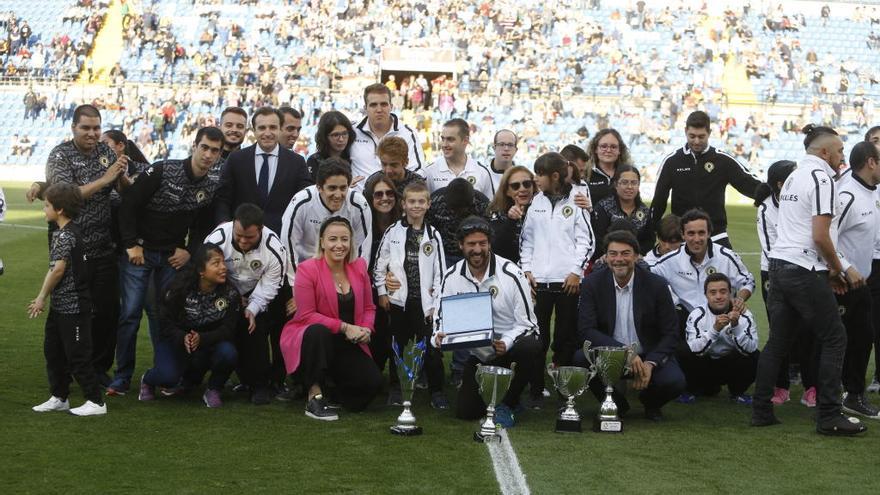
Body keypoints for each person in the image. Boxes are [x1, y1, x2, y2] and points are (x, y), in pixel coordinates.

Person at [752, 124, 867, 436]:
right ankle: (829, 415)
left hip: (779, 267)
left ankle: (760, 409)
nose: (843, 156)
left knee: (778, 340)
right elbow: (819, 236)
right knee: (834, 337)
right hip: (802, 267)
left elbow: (800, 231)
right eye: (840, 151)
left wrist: (827, 272)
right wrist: (841, 267)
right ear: (825, 152)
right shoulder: (821, 178)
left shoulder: (794, 176)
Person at [108, 127, 224, 395]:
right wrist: (131, 244)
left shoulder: (211, 184)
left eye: (214, 151)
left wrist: (189, 251)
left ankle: (162, 374)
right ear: (194, 146)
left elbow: (202, 227)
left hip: (172, 258)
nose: (208, 155)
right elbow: (129, 205)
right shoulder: (162, 170)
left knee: (167, 316)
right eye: (204, 147)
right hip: (140, 254)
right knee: (130, 315)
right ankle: (122, 377)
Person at [45, 104, 129, 387]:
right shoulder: (60, 154)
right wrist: (104, 179)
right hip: (71, 250)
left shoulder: (107, 152)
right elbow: (63, 196)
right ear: (73, 128)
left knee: (106, 312)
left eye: (96, 128)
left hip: (104, 247)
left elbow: (117, 191)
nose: (93, 134)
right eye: (86, 128)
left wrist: (122, 178)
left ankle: (98, 368)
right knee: (69, 313)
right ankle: (65, 370)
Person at [431, 216, 541, 427]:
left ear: (490, 244)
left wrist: (506, 342)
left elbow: (529, 325)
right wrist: (438, 336)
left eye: (483, 243)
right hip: (479, 355)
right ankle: (499, 393)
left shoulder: (511, 273)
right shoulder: (451, 276)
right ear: (461, 245)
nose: (478, 249)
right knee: (466, 412)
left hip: (510, 352)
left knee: (531, 346)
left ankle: (508, 402)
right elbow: (440, 317)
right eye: (471, 244)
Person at [572, 230, 686, 421]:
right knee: (580, 359)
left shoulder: (656, 285)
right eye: (613, 254)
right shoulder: (592, 284)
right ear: (606, 257)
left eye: (625, 253)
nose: (619, 259)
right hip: (611, 353)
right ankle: (617, 405)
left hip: (647, 355)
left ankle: (651, 403)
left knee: (675, 381)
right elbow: (586, 330)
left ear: (636, 256)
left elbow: (671, 332)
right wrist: (624, 353)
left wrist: (651, 363)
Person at [280, 217, 383, 420]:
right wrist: (346, 327)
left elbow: (370, 307)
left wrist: (366, 329)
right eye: (333, 239)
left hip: (347, 342)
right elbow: (307, 315)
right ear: (322, 242)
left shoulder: (359, 266)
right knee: (318, 332)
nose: (339, 245)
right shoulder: (307, 269)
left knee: (372, 385)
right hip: (313, 338)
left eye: (344, 239)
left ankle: (332, 390)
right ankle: (314, 395)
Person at [520, 152, 595, 406]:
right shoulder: (536, 203)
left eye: (539, 174)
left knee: (565, 338)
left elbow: (587, 240)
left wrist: (576, 271)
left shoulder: (578, 200)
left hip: (568, 283)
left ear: (554, 176)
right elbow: (527, 240)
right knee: (538, 340)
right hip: (538, 283)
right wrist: (527, 270)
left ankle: (566, 392)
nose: (535, 179)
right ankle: (536, 390)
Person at [28, 183, 107, 416]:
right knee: (53, 351)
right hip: (61, 306)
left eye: (47, 205)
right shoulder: (70, 230)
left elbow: (57, 270)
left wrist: (41, 297)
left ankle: (96, 401)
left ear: (60, 209)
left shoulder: (64, 235)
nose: (44, 210)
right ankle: (59, 396)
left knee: (77, 354)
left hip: (73, 307)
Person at [139, 243, 241, 408]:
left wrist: (202, 338)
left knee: (228, 353)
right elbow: (165, 322)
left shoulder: (230, 293)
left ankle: (213, 389)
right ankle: (149, 379)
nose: (223, 268)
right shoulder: (178, 289)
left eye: (223, 262)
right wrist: (182, 337)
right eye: (216, 263)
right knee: (167, 377)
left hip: (209, 343)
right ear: (201, 271)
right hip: (177, 342)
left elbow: (228, 330)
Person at [374, 182, 447, 408]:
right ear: (403, 204)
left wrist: (436, 304)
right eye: (412, 201)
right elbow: (379, 265)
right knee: (397, 346)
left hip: (425, 303)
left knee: (432, 348)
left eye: (421, 201)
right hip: (399, 302)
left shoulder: (434, 235)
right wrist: (382, 292)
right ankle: (397, 388)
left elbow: (440, 272)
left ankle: (437, 391)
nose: (416, 206)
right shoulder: (393, 231)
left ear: (428, 204)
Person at [204, 203, 286, 405]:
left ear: (260, 229)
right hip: (222, 289)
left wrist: (252, 308)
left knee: (254, 329)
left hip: (255, 292)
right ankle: (204, 381)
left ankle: (259, 385)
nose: (242, 240)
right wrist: (230, 295)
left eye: (249, 237)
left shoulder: (275, 248)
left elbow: (270, 285)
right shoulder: (216, 240)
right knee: (222, 335)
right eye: (239, 234)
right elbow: (205, 274)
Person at [650, 111, 761, 248]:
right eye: (692, 136)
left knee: (730, 268)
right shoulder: (672, 162)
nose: (696, 141)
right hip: (684, 236)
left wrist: (772, 192)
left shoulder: (722, 160)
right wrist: (651, 229)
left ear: (709, 132)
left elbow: (749, 184)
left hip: (716, 235)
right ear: (685, 132)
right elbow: (659, 200)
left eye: (701, 136)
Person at [754, 160, 813, 406]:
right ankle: (781, 386)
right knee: (780, 330)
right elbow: (770, 249)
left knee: (810, 329)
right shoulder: (766, 210)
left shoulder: (803, 201)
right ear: (780, 183)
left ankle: (813, 386)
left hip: (805, 271)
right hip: (775, 274)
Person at [215, 106, 312, 237]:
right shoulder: (236, 159)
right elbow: (223, 198)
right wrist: (224, 226)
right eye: (261, 128)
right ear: (254, 131)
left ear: (280, 129)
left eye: (272, 127)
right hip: (240, 238)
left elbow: (304, 202)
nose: (267, 133)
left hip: (280, 237)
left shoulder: (297, 162)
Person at [834, 141, 880, 418]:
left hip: (863, 281)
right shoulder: (846, 195)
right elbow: (825, 238)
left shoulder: (872, 193)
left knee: (863, 337)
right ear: (871, 162)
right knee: (839, 340)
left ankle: (852, 393)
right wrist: (842, 269)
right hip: (841, 283)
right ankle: (832, 395)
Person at [280, 159, 372, 281]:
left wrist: (354, 281)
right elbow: (288, 245)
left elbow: (363, 249)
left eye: (343, 188)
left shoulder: (359, 204)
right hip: (306, 268)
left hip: (343, 270)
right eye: (332, 188)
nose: (338, 195)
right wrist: (295, 284)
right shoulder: (301, 202)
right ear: (319, 187)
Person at [684, 273, 759, 404]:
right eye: (713, 292)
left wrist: (736, 327)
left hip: (730, 365)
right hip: (705, 365)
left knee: (756, 355)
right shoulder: (697, 314)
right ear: (706, 295)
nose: (718, 296)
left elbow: (750, 349)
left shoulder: (745, 314)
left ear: (731, 293)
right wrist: (714, 330)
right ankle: (694, 390)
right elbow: (694, 350)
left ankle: (737, 392)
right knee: (682, 350)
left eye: (723, 292)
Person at [363, 174, 402, 391]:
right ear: (370, 197)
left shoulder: (403, 224)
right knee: (376, 330)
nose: (385, 198)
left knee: (396, 329)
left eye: (389, 193)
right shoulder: (363, 222)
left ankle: (398, 380)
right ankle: (373, 372)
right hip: (367, 286)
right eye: (378, 194)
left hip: (397, 285)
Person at [350, 83, 426, 181]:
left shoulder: (407, 134)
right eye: (373, 105)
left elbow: (418, 171)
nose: (379, 109)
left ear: (391, 106)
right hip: (359, 195)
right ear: (365, 108)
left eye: (384, 104)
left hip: (394, 195)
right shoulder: (351, 131)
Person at [421, 118, 495, 200]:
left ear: (465, 141)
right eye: (443, 139)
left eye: (450, 139)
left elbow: (489, 207)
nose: (444, 144)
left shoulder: (481, 172)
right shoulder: (430, 172)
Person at [592, 165, 654, 259]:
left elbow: (649, 240)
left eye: (634, 183)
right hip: (608, 259)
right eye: (624, 182)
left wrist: (636, 255)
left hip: (637, 260)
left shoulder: (644, 211)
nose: (629, 187)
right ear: (616, 184)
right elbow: (597, 239)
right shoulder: (603, 207)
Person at [426, 177, 490, 265]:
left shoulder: (482, 204)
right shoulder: (435, 201)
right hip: (443, 253)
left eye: (463, 208)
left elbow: (489, 233)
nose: (458, 213)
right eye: (454, 208)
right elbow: (428, 231)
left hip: (474, 254)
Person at [487, 166, 535, 264]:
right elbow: (496, 248)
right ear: (507, 191)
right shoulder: (495, 213)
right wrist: (511, 221)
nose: (522, 189)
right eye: (515, 186)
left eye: (527, 184)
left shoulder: (543, 209)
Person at [305, 110, 356, 182]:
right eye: (335, 135)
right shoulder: (315, 161)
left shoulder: (354, 158)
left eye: (344, 134)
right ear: (324, 137)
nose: (341, 139)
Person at [584, 129, 632, 205]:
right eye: (603, 146)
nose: (608, 150)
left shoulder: (628, 174)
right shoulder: (584, 174)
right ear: (596, 149)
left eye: (613, 147)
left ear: (619, 150)